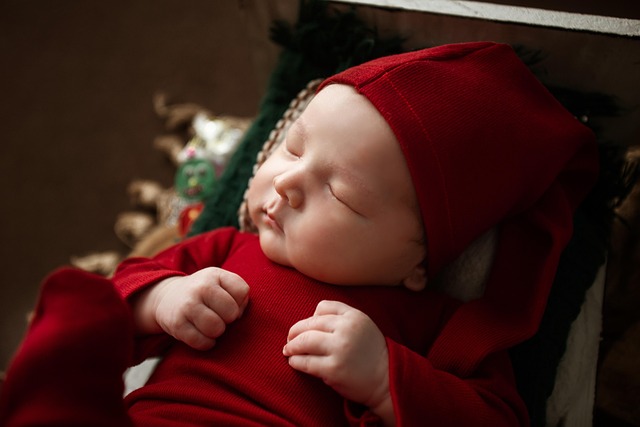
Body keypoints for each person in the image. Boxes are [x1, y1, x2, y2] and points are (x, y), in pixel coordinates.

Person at [0, 41, 598, 426]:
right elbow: (129, 289)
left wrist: (387, 380)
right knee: (85, 310)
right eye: (292, 147)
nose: (284, 183)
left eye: (339, 193)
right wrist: (161, 300)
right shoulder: (228, 253)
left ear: (417, 263)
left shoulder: (424, 326)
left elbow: (495, 418)